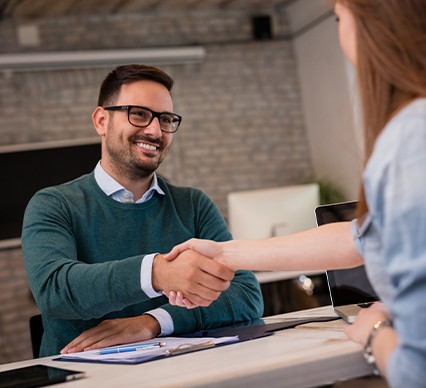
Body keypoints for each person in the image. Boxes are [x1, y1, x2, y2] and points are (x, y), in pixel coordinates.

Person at [164, 1, 426, 387]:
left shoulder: (420, 134)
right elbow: (362, 238)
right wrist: (224, 253)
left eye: (339, 17)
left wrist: (376, 331)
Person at [21, 64, 263, 357]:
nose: (155, 130)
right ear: (101, 121)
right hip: (85, 378)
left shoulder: (193, 205)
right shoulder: (53, 205)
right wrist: (156, 272)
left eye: (165, 119)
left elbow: (246, 295)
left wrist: (153, 322)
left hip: (185, 373)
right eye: (139, 114)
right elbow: (54, 290)